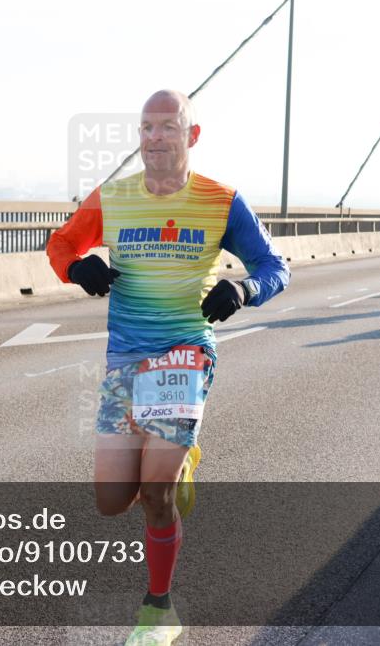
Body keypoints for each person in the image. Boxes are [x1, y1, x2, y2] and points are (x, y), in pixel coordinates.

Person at [46, 89, 290, 645]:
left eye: (168, 127)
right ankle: (180, 460)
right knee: (111, 502)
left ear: (191, 136)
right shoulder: (113, 196)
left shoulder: (222, 201)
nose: (154, 138)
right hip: (126, 358)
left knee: (154, 496)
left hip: (184, 353)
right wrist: (77, 266)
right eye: (147, 128)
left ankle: (159, 610)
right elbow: (60, 243)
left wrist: (246, 288)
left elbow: (275, 266)